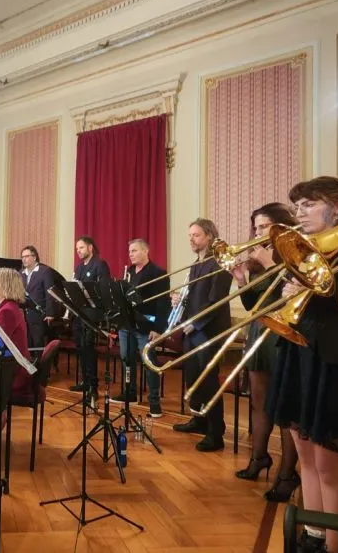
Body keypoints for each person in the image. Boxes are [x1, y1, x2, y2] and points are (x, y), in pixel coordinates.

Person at [266, 177, 338, 552]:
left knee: (330, 468)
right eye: (297, 207)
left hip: (335, 361)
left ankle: (335, 544)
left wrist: (310, 293)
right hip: (302, 352)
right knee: (306, 458)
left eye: (308, 204)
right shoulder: (304, 248)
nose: (299, 213)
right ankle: (313, 533)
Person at [228, 203, 300, 501]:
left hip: (283, 334)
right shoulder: (257, 260)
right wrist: (243, 281)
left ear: (280, 226)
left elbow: (291, 296)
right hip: (260, 331)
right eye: (255, 227)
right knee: (259, 403)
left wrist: (270, 265)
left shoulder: (294, 252)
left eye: (264, 227)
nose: (258, 233)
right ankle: (258, 458)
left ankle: (286, 473)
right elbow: (253, 306)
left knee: (284, 408)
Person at [171, 219, 232, 452]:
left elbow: (216, 301)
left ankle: (216, 432)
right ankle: (199, 420)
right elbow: (193, 298)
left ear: (209, 236)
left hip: (209, 331)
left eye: (195, 235)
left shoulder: (219, 262)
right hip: (192, 331)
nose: (191, 240)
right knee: (194, 379)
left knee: (208, 382)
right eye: (189, 236)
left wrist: (195, 323)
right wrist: (179, 301)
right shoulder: (196, 264)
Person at [117, 239, 170, 417]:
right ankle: (129, 393)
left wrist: (158, 328)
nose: (130, 254)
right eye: (129, 251)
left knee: (149, 363)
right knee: (127, 359)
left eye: (134, 250)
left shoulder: (158, 272)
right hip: (127, 324)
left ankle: (154, 402)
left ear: (146, 251)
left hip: (147, 326)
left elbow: (163, 303)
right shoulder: (130, 271)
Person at [0, 268, 33, 396]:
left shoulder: (7, 312)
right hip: (11, 367)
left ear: (4, 284)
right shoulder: (9, 307)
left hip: (12, 374)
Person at [69, 236, 110, 397]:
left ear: (90, 248)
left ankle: (93, 386)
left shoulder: (99, 265)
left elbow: (104, 288)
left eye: (81, 248)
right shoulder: (78, 268)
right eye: (77, 248)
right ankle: (85, 382)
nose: (78, 251)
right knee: (80, 348)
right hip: (79, 314)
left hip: (92, 314)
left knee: (88, 348)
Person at [19, 245, 61, 354]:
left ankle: (39, 369)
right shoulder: (21, 273)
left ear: (35, 257)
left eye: (27, 256)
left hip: (39, 315)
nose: (24, 259)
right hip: (24, 315)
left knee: (37, 344)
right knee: (26, 344)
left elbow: (50, 293)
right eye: (22, 257)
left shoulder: (44, 271)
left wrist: (50, 313)